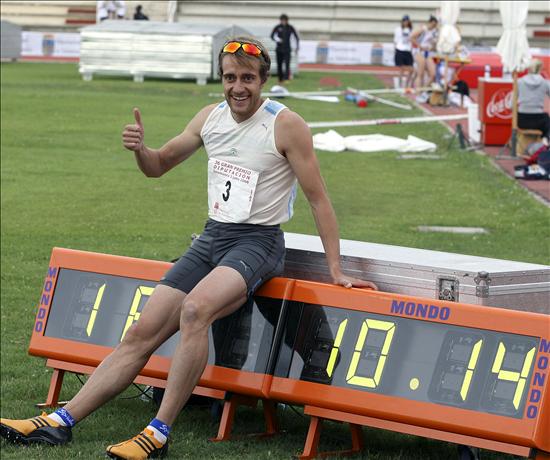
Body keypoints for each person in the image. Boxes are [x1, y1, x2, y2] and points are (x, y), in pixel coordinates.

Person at [0, 36, 377, 460]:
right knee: (141, 332)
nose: (238, 87)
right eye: (230, 77)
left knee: (196, 311)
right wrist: (141, 149)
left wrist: (336, 269)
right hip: (213, 236)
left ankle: (158, 432)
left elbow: (319, 199)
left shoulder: (286, 124)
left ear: (263, 80)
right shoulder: (209, 117)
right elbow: (158, 166)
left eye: (248, 79)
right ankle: (59, 423)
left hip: (258, 242)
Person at [518, 59, 550, 144]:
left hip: (522, 120)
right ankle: (546, 140)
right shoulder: (545, 82)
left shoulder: (519, 82)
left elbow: (511, 104)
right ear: (540, 69)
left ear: (528, 69)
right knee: (547, 119)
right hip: (539, 121)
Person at [411, 15, 439, 97]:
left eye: (435, 25)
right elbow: (412, 38)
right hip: (419, 51)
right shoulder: (422, 29)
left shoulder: (434, 31)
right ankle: (418, 94)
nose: (433, 27)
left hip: (428, 52)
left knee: (433, 74)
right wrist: (420, 46)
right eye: (432, 25)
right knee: (420, 73)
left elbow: (433, 44)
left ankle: (423, 90)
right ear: (429, 22)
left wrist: (433, 46)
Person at [270, 14, 300, 84]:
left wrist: (297, 47)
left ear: (287, 20)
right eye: (282, 20)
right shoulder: (277, 27)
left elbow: (296, 37)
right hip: (279, 49)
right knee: (279, 64)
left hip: (287, 49)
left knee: (287, 64)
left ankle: (286, 78)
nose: (283, 21)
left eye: (284, 20)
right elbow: (272, 36)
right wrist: (278, 40)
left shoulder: (290, 27)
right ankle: (280, 78)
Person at [393, 15, 414, 89]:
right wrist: (395, 50)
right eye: (404, 21)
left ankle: (407, 85)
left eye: (407, 21)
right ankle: (400, 85)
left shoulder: (411, 30)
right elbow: (396, 40)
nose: (405, 22)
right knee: (401, 69)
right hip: (400, 50)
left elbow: (412, 40)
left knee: (411, 69)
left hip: (408, 50)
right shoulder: (398, 29)